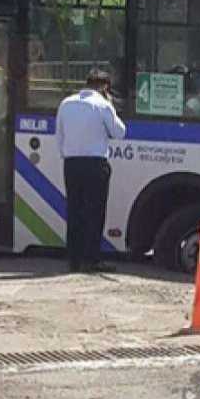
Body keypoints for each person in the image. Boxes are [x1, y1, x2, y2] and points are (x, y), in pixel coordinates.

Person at [55, 69, 126, 273]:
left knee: (75, 210)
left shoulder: (66, 103)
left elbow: (59, 136)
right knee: (94, 212)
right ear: (104, 87)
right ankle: (92, 259)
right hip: (95, 164)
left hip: (71, 164)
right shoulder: (103, 105)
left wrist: (67, 155)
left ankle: (74, 259)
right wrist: (111, 105)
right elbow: (119, 132)